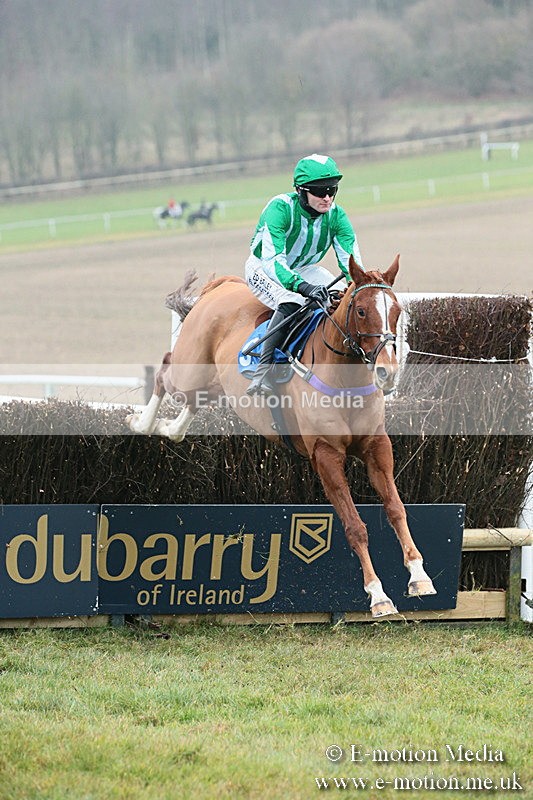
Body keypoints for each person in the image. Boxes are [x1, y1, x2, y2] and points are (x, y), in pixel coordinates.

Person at [245, 153, 364, 395]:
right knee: (292, 300)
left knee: (341, 299)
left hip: (305, 269)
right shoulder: (279, 209)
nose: (328, 197)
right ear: (301, 191)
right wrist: (302, 286)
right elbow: (273, 261)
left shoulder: (337, 216)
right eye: (320, 191)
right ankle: (262, 371)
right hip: (265, 268)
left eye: (332, 189)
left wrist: (359, 285)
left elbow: (350, 262)